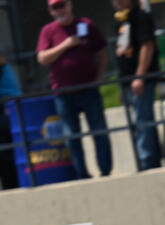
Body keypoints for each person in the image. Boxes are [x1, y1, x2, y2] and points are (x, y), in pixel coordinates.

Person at [37, 0, 112, 179]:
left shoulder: (86, 24)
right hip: (63, 94)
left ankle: (105, 171)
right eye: (55, 7)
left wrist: (98, 79)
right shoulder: (48, 31)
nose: (60, 9)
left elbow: (102, 52)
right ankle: (82, 174)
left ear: (70, 5)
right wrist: (66, 45)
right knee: (72, 137)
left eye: (62, 5)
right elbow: (42, 58)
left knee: (99, 130)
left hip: (88, 90)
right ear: (50, 11)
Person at [112, 0, 161, 170]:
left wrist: (139, 77)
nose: (117, 2)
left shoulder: (141, 17)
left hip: (140, 82)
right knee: (140, 123)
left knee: (143, 122)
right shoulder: (122, 21)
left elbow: (147, 46)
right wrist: (122, 84)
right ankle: (149, 161)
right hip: (128, 82)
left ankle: (147, 163)